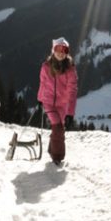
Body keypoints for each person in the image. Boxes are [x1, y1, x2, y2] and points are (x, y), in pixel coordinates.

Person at [37, 37, 78, 165]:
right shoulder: (45, 67)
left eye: (64, 50)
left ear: (67, 52)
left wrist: (70, 113)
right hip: (48, 102)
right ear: (53, 50)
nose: (60, 52)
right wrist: (40, 99)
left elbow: (72, 92)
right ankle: (57, 157)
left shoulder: (70, 70)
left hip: (62, 105)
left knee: (59, 129)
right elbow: (42, 84)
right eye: (57, 49)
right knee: (58, 128)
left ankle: (51, 149)